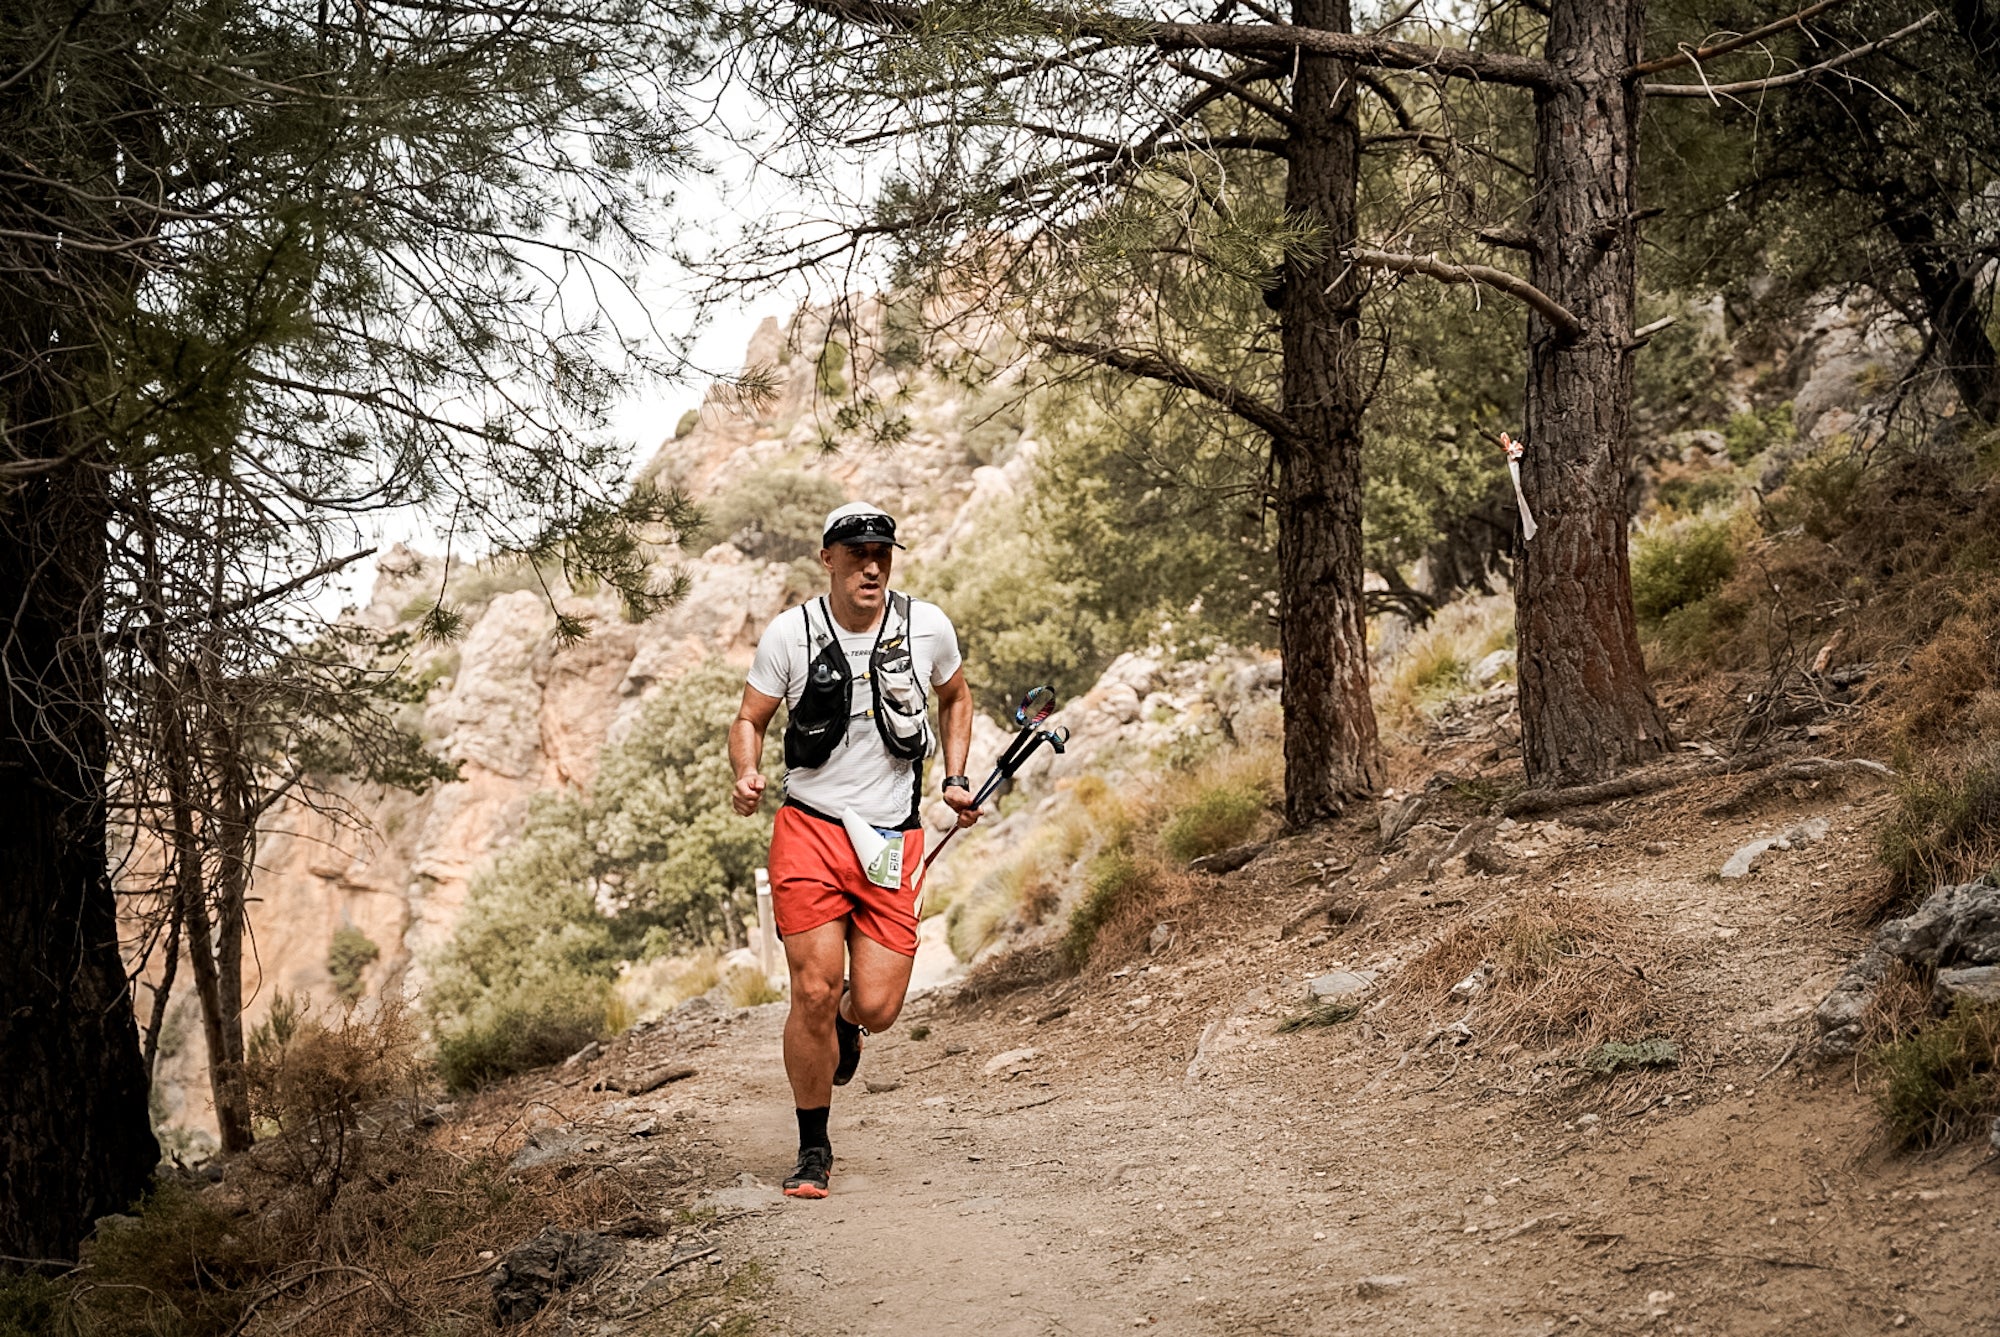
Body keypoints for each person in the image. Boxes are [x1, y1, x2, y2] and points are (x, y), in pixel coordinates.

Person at [729, 501, 981, 1199]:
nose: (872, 564)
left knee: (875, 1006)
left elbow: (956, 698)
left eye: (883, 552)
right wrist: (746, 773)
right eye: (857, 551)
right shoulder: (791, 633)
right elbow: (750, 718)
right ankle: (814, 1149)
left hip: (893, 836)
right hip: (810, 828)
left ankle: (848, 1023)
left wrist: (956, 778)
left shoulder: (926, 626)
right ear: (828, 557)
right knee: (810, 988)